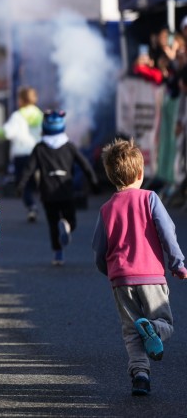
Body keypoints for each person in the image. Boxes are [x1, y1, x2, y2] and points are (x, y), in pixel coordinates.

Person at [92, 138, 187, 397]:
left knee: (131, 332)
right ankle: (154, 329)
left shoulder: (106, 208)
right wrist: (177, 262)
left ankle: (140, 376)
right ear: (140, 173)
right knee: (164, 321)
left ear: (111, 176)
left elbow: (99, 250)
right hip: (152, 275)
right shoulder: (150, 199)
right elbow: (168, 232)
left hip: (121, 278)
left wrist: (110, 272)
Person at [18, 109, 100, 265]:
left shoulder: (40, 148)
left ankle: (58, 254)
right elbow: (85, 165)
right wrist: (94, 183)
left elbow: (28, 169)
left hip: (47, 192)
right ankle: (68, 226)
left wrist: (21, 186)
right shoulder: (69, 146)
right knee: (71, 219)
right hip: (65, 189)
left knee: (52, 223)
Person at [0, 86, 43, 222]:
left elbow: (7, 133)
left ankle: (31, 206)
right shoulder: (40, 115)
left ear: (21, 100)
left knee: (23, 184)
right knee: (35, 182)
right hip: (37, 153)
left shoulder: (17, 116)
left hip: (21, 154)